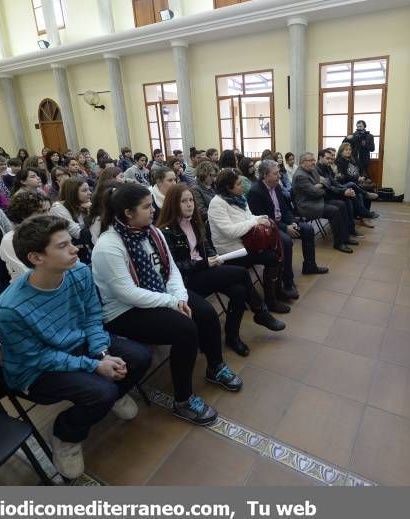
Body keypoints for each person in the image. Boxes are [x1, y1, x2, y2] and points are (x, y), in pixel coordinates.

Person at [0, 215, 151, 479]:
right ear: (36, 258)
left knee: (140, 357)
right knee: (102, 392)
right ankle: (66, 435)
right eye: (63, 246)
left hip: (78, 345)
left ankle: (115, 391)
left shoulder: (79, 271)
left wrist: (102, 353)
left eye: (71, 242)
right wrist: (95, 366)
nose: (75, 248)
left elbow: (92, 316)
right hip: (35, 370)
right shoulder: (9, 309)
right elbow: (38, 357)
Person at [91, 183, 239, 426]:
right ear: (128, 213)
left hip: (161, 294)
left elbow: (170, 271)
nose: (154, 210)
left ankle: (215, 367)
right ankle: (183, 400)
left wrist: (179, 297)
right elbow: (127, 293)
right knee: (185, 329)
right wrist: (171, 301)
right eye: (147, 206)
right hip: (125, 311)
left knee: (206, 312)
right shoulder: (109, 246)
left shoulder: (152, 232)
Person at [158, 184, 285, 356]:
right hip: (187, 280)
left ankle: (233, 336)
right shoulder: (166, 232)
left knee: (239, 291)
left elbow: (206, 245)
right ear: (173, 204)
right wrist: (205, 264)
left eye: (191, 200)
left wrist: (213, 257)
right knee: (240, 273)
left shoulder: (194, 222)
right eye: (183, 201)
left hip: (205, 270)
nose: (189, 205)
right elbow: (175, 268)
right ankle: (260, 312)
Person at [208, 168, 292, 313]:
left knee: (277, 250)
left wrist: (261, 218)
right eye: (239, 184)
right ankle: (271, 301)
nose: (243, 186)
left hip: (247, 242)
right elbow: (229, 231)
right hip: (232, 250)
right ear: (228, 187)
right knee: (272, 257)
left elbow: (249, 217)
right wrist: (255, 222)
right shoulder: (217, 204)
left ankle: (277, 292)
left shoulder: (239, 198)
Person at [249, 160, 329, 285]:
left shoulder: (276, 187)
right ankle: (288, 281)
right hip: (269, 228)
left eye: (279, 173)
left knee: (308, 229)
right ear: (265, 175)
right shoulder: (256, 192)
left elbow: (285, 209)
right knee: (286, 241)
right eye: (275, 174)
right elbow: (264, 219)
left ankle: (310, 266)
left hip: (283, 223)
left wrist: (292, 222)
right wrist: (286, 228)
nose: (279, 176)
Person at [292, 152, 358, 253]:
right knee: (334, 211)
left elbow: (327, 181)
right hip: (307, 206)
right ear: (302, 162)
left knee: (342, 204)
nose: (314, 162)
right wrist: (321, 185)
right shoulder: (300, 175)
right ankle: (339, 243)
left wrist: (320, 185)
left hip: (317, 200)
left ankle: (345, 237)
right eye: (311, 160)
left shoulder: (312, 170)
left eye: (314, 160)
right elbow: (314, 193)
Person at [0, 190, 52, 281]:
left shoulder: (50, 231)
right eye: (42, 211)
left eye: (49, 210)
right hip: (28, 288)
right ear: (24, 215)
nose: (49, 216)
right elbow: (29, 273)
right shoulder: (10, 240)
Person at [323, 147, 376, 228]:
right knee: (357, 193)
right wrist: (337, 176)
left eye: (333, 155)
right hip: (341, 186)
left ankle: (364, 214)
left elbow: (362, 169)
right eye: (330, 156)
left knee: (366, 189)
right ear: (341, 152)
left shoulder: (353, 160)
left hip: (344, 185)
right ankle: (363, 215)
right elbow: (339, 179)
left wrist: (364, 177)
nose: (332, 158)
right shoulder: (336, 163)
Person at [49, 177, 92, 263]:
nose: (90, 193)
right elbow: (78, 233)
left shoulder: (83, 204)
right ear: (73, 193)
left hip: (84, 247)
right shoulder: (58, 208)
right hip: (70, 252)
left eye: (88, 190)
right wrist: (91, 213)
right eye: (84, 190)